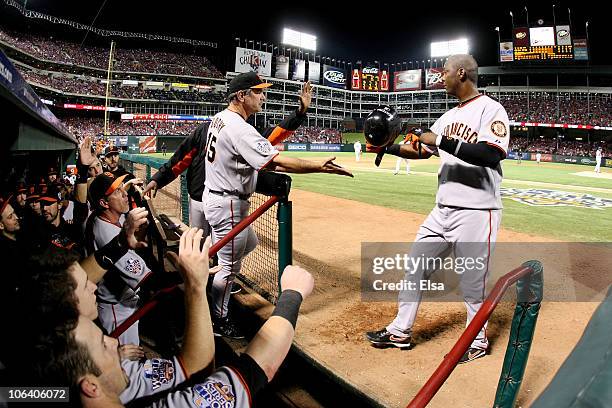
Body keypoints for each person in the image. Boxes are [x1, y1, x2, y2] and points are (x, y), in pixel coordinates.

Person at [20, 228, 315, 408]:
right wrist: (292, 293)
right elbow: (257, 367)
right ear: (90, 387)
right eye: (101, 342)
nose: (113, 342)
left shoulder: (49, 386)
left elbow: (190, 367)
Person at [364, 54, 510, 364]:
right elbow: (421, 150)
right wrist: (385, 147)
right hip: (442, 210)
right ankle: (400, 331)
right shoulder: (447, 116)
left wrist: (442, 140)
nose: (439, 77)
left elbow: (491, 154)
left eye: (443, 72)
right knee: (415, 267)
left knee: (472, 280)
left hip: (476, 210)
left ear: (460, 73)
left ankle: (478, 341)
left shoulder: (491, 109)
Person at [204, 72, 352, 338]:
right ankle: (218, 321)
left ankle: (215, 285)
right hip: (227, 202)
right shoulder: (239, 127)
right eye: (258, 92)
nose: (263, 96)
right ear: (241, 95)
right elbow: (276, 162)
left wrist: (299, 111)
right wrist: (319, 166)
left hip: (218, 197)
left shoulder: (221, 118)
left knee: (249, 243)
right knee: (228, 268)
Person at [142, 81, 315, 238]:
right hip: (200, 200)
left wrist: (299, 114)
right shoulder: (206, 130)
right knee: (202, 245)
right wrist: (158, 179)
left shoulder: (242, 132)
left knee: (223, 249)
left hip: (224, 204)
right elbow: (179, 160)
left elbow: (273, 134)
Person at [85, 172, 152, 345]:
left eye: (123, 188)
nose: (125, 194)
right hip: (117, 310)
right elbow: (151, 281)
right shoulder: (108, 234)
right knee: (125, 365)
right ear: (103, 203)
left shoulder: (101, 216)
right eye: (117, 192)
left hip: (121, 303)